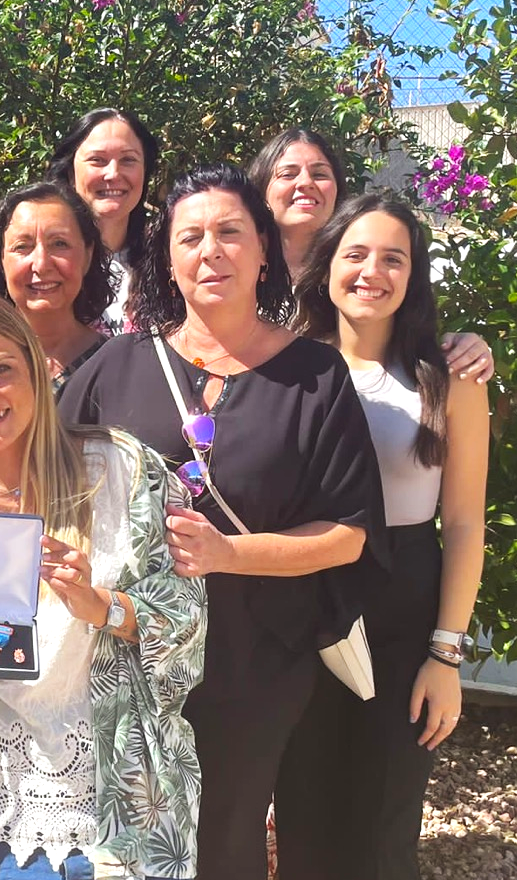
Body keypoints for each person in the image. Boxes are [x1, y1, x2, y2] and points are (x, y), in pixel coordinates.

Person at [59, 163, 388, 880]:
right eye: (192, 237)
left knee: (223, 839)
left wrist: (226, 552)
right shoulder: (115, 365)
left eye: (231, 232)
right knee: (111, 833)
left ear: (264, 250)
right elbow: (38, 481)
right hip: (121, 655)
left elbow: (348, 532)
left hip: (253, 660)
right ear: (168, 261)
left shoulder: (315, 377)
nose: (212, 250)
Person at [0, 292, 207, 880]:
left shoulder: (124, 471)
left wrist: (101, 604)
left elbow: (189, 617)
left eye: (1, 369)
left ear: (35, 366)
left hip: (121, 794)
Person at [274, 194, 489, 880]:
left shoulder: (450, 376)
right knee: (303, 809)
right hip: (305, 598)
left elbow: (462, 523)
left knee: (386, 821)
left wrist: (446, 655)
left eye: (393, 257)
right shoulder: (285, 367)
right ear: (327, 265)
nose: (373, 271)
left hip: (403, 601)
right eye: (356, 254)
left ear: (414, 274)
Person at [248, 126, 495, 383]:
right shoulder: (239, 274)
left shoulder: (362, 279)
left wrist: (468, 346)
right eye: (288, 174)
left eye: (320, 174)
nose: (306, 183)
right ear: (262, 190)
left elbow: (414, 337)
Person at [0, 182, 115, 397]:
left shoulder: (115, 364)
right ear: (0, 260)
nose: (41, 264)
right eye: (22, 247)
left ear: (88, 256)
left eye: (59, 244)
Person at [46, 108, 158, 331]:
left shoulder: (166, 261)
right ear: (70, 173)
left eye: (128, 160)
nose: (113, 174)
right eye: (97, 160)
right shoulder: (41, 261)